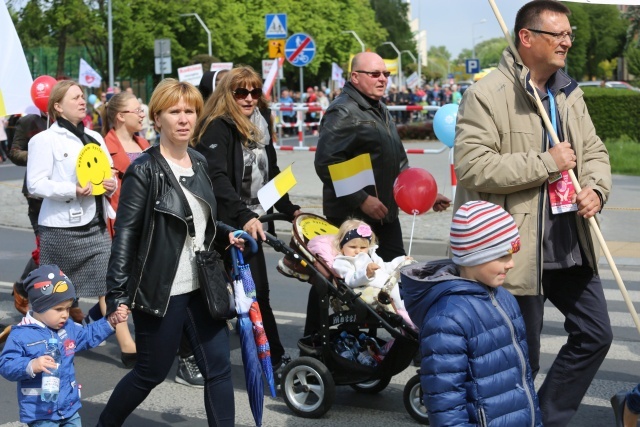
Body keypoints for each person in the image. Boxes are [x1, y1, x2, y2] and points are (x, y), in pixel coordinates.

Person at [453, 2, 613, 426]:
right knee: (522, 360)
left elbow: (594, 151)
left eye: (569, 35)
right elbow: (473, 166)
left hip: (569, 240)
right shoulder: (487, 94)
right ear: (526, 37)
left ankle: (547, 416)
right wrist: (546, 162)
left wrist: (596, 188)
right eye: (557, 34)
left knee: (597, 334)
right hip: (516, 252)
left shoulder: (568, 91)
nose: (566, 42)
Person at [98, 79, 243, 427]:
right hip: (161, 289)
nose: (183, 119)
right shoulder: (144, 170)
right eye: (174, 111)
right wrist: (118, 293)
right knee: (150, 372)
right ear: (157, 118)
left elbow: (200, 223)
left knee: (219, 369)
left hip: (202, 286)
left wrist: (228, 234)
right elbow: (126, 237)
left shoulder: (199, 161)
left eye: (190, 111)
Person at [312, 51, 450, 335]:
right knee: (345, 285)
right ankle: (320, 339)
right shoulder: (343, 110)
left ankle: (402, 339)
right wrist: (361, 199)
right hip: (353, 219)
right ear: (355, 77)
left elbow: (398, 163)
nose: (383, 79)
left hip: (386, 215)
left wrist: (425, 194)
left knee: (398, 276)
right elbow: (326, 163)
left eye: (385, 73)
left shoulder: (379, 108)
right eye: (375, 74)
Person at [194, 66, 301, 375]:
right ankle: (272, 359)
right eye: (241, 92)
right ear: (227, 94)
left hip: (253, 221)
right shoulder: (218, 127)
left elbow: (272, 174)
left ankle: (270, 355)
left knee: (250, 295)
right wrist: (243, 215)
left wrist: (290, 208)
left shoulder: (260, 124)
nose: (250, 98)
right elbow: (216, 178)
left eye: (255, 92)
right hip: (228, 225)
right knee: (242, 295)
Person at [402, 201, 542, 427]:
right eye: (503, 256)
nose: (512, 264)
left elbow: (522, 379)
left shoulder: (504, 297)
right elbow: (445, 402)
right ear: (473, 257)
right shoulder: (447, 317)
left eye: (512, 254)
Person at [26, 80, 118, 327]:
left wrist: (111, 184)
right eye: (75, 97)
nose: (81, 101)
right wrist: (72, 190)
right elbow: (35, 184)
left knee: (108, 284)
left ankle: (120, 340)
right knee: (54, 293)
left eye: (82, 96)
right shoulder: (44, 140)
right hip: (60, 229)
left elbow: (109, 173)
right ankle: (41, 335)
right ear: (57, 106)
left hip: (97, 225)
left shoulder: (95, 136)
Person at [0, 264, 128, 427]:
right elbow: (6, 364)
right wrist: (31, 365)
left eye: (67, 308)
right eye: (59, 309)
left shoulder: (67, 326)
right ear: (39, 307)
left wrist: (110, 321)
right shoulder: (21, 334)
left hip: (69, 407)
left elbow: (86, 335)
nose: (65, 314)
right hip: (41, 412)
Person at [98, 91, 151, 367]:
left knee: (139, 280)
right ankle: (126, 343)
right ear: (120, 116)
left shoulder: (145, 143)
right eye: (137, 110)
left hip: (149, 223)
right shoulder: (103, 147)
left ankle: (98, 316)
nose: (143, 114)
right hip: (120, 223)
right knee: (119, 283)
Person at [332, 218, 414, 324]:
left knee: (413, 294)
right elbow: (350, 279)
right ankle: (409, 320)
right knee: (405, 304)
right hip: (378, 291)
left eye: (363, 247)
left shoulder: (370, 255)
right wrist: (365, 274)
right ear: (342, 246)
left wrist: (400, 261)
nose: (358, 251)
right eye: (352, 247)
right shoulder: (342, 261)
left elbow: (384, 267)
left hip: (391, 286)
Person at [7, 111, 48, 318]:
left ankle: (61, 302)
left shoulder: (72, 121)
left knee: (61, 249)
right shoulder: (29, 121)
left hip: (68, 194)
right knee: (46, 246)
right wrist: (38, 153)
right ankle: (23, 288)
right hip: (37, 196)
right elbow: (14, 153)